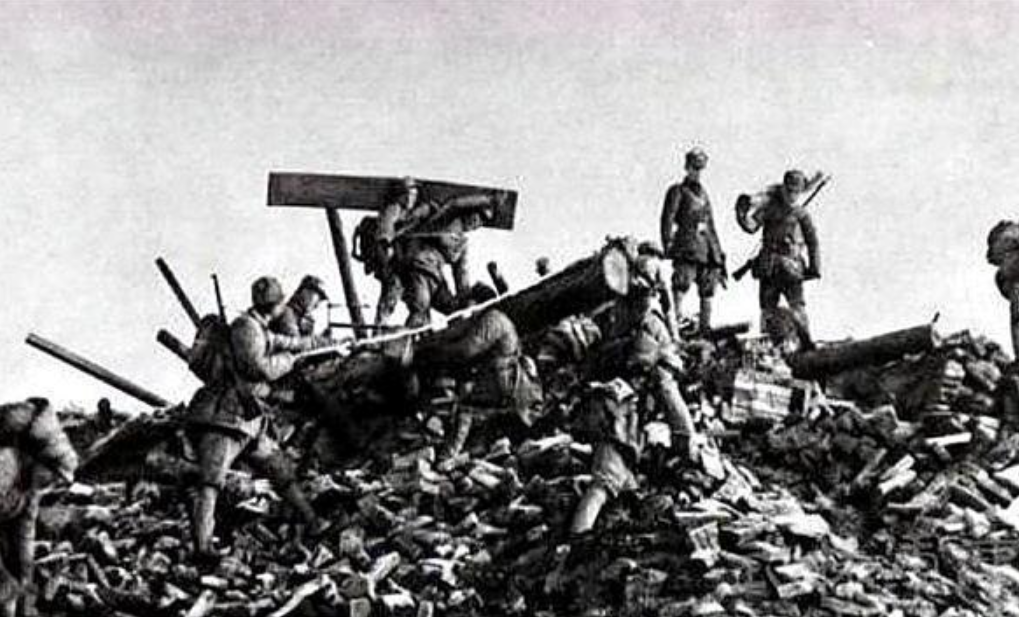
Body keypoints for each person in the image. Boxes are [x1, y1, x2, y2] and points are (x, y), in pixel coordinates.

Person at [187, 276, 330, 561]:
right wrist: (291, 360)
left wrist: (317, 343)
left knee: (280, 470)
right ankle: (203, 548)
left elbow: (284, 341)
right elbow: (260, 369)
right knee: (211, 483)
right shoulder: (246, 328)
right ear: (274, 306)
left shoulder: (257, 326)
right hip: (224, 418)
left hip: (248, 420)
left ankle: (314, 523)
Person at [411, 289, 544, 458]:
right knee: (467, 401)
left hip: (502, 380)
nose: (466, 312)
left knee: (466, 406)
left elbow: (466, 350)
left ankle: (448, 454)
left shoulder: (494, 319)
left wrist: (430, 352)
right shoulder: (493, 319)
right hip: (502, 380)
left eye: (470, 305)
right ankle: (457, 448)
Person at [593, 250, 697, 452]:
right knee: (661, 384)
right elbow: (666, 304)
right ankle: (683, 439)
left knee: (658, 383)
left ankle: (683, 440)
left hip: (646, 331)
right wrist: (674, 336)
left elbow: (640, 304)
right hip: (649, 330)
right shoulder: (649, 271)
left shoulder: (631, 271)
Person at [378, 177, 499, 327]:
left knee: (453, 310)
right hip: (418, 267)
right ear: (469, 212)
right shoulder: (445, 219)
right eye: (477, 216)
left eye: (482, 221)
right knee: (420, 308)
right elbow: (454, 203)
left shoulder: (462, 244)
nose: (477, 222)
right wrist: (488, 199)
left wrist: (466, 299)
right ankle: (407, 338)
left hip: (436, 277)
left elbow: (461, 274)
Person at [0, 398, 77, 616]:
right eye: (53, 475)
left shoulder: (31, 485)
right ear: (39, 461)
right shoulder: (5, 466)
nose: (54, 483)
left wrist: (25, 575)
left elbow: (24, 530)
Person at [737, 169, 825, 348]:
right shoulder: (770, 209)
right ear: (783, 189)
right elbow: (751, 226)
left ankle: (806, 344)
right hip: (769, 267)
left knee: (797, 308)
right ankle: (768, 345)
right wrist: (741, 214)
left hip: (791, 268)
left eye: (796, 192)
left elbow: (812, 242)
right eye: (789, 190)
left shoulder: (801, 214)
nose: (792, 195)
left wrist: (815, 268)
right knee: (767, 308)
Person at [660, 147, 725, 334]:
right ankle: (673, 326)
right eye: (694, 168)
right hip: (686, 247)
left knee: (708, 288)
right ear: (687, 168)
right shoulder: (677, 191)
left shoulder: (704, 195)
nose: (697, 172)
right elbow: (667, 219)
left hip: (706, 249)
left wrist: (718, 255)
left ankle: (705, 329)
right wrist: (668, 245)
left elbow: (711, 226)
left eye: (700, 169)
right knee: (681, 284)